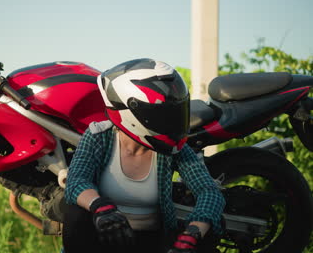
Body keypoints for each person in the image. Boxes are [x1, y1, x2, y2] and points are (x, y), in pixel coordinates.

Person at [62, 58, 225, 253]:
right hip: (104, 237)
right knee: (74, 214)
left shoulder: (171, 147)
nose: (171, 123)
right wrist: (100, 207)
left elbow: (209, 191)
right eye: (162, 115)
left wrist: (193, 233)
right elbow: (75, 180)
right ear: (131, 112)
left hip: (152, 241)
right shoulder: (100, 136)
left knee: (211, 232)